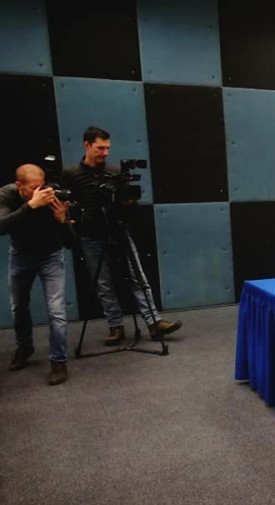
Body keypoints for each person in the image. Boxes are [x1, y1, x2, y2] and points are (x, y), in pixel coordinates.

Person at [60, 127, 182, 346]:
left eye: (107, 148)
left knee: (138, 278)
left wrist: (127, 202)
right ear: (87, 145)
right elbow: (65, 204)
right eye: (100, 148)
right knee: (103, 283)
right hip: (91, 235)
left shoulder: (117, 172)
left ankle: (154, 323)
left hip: (119, 230)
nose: (105, 153)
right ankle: (115, 326)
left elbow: (131, 210)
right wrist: (73, 219)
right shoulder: (70, 174)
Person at [0, 164, 75, 385]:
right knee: (18, 307)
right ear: (19, 186)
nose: (40, 192)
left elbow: (71, 243)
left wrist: (62, 221)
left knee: (56, 312)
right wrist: (30, 206)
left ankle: (58, 362)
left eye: (41, 186)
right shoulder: (7, 194)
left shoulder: (53, 195)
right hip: (20, 256)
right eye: (33, 188)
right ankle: (24, 347)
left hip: (50, 256)